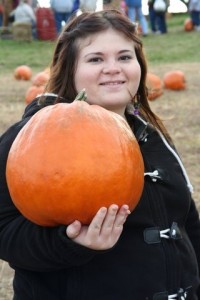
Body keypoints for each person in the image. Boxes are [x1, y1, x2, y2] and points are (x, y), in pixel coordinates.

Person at [0, 9, 200, 300]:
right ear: (70, 69)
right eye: (96, 59)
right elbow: (5, 231)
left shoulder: (150, 134)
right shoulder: (32, 136)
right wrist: (70, 243)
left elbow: (186, 221)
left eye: (124, 57)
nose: (113, 68)